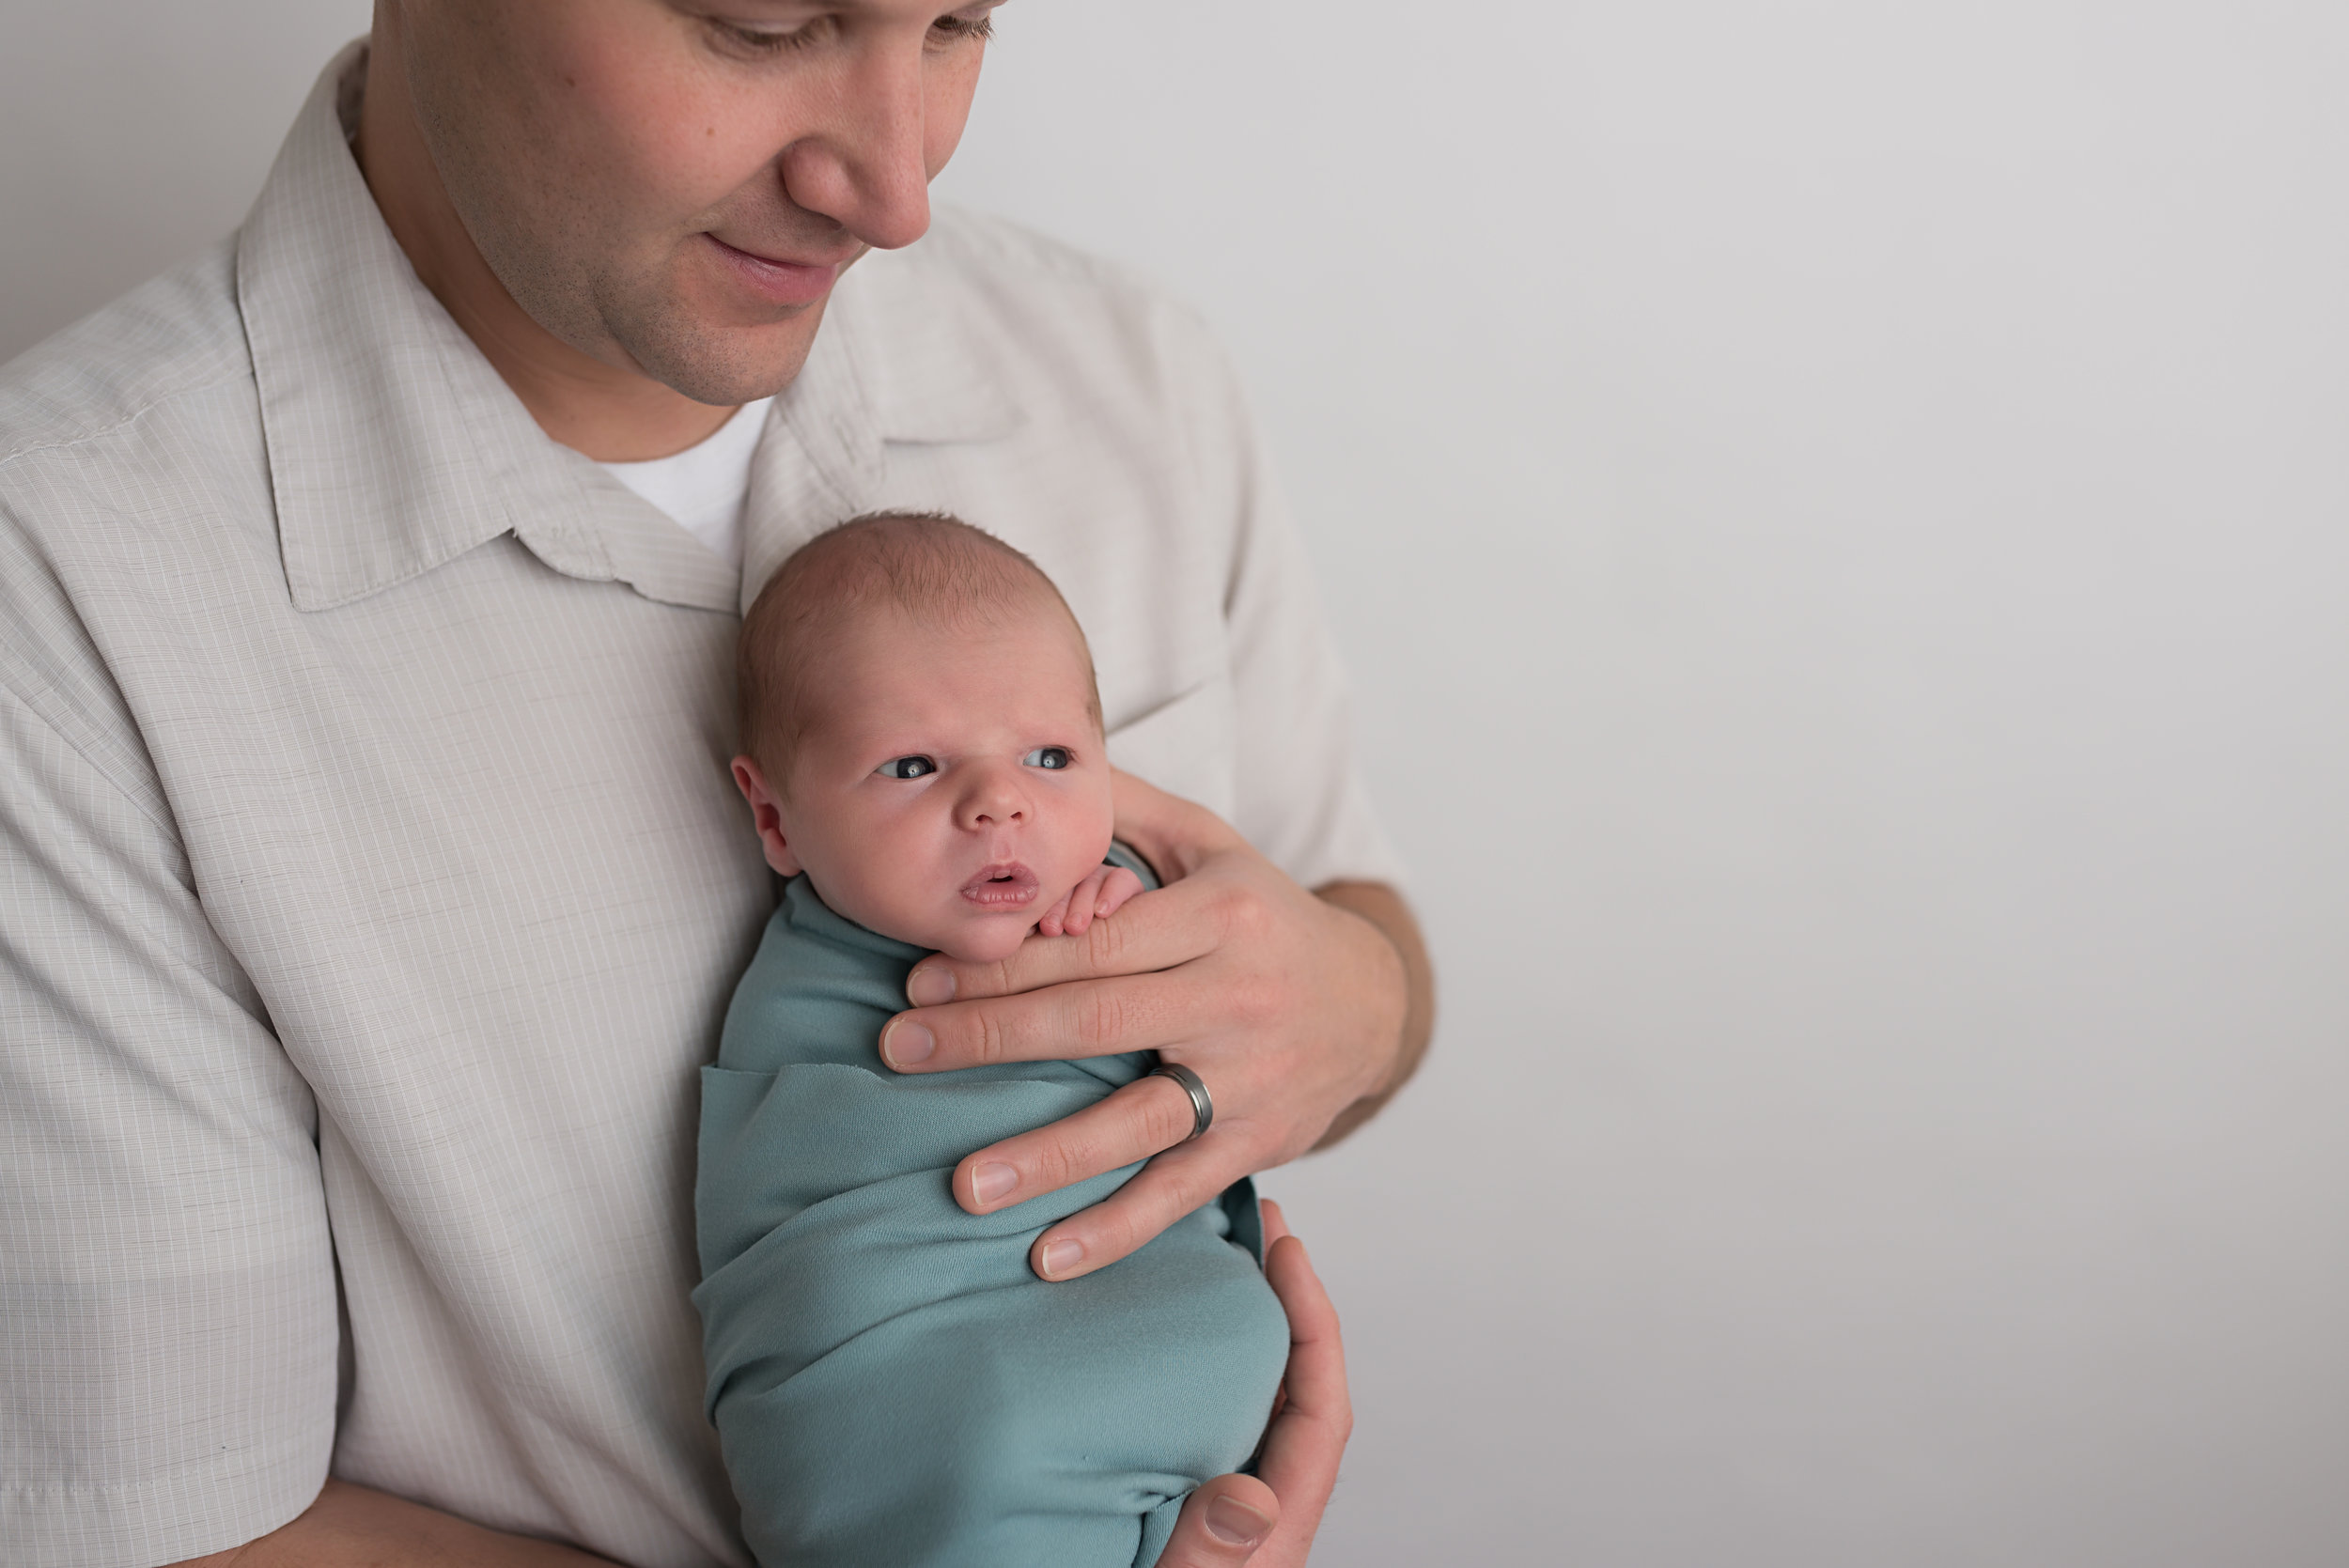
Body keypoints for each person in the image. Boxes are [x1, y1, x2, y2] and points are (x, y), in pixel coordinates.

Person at [0, 5, 1434, 1566]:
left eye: (957, 21)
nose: (897, 191)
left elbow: (1355, 926)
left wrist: (1353, 1006)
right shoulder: (65, 588)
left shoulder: (1122, 368)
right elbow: (160, 1523)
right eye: (761, 23)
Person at [702, 512, 1291, 1567]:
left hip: (1163, 1421)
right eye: (915, 765)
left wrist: (1134, 906)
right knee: (977, 1438)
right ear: (776, 817)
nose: (998, 802)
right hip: (907, 1392)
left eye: (1050, 755)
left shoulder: (1115, 895)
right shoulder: (811, 989)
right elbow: (804, 1210)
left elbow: (1226, 1014)